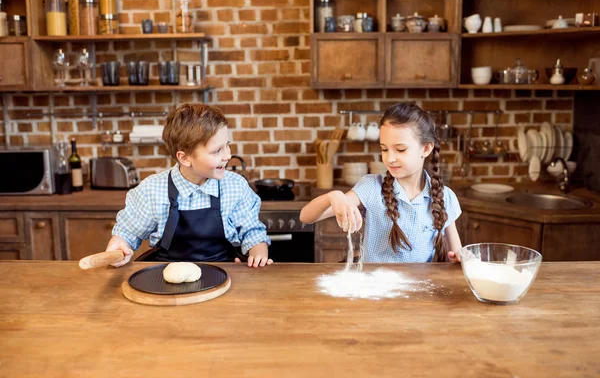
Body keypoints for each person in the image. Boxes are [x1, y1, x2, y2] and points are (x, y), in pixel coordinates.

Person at [106, 103, 272, 268]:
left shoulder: (235, 186)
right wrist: (118, 243)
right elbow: (127, 233)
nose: (228, 155)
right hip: (165, 281)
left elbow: (252, 233)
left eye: (227, 145)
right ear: (185, 158)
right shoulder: (152, 190)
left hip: (225, 275)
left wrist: (258, 254)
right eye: (217, 151)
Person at [300, 103, 462, 263]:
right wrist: (332, 196)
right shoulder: (371, 187)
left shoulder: (445, 197)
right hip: (375, 288)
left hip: (420, 287)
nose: (389, 158)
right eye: (384, 149)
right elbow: (306, 216)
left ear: (426, 149)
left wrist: (462, 258)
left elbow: (458, 256)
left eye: (400, 149)